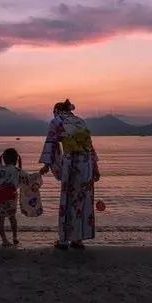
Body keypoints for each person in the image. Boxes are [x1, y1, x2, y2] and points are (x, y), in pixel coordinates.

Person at [39, 99, 100, 250]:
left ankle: (64, 241)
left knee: (68, 200)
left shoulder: (57, 121)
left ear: (56, 110)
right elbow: (89, 146)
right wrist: (96, 168)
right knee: (83, 200)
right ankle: (78, 240)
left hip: (72, 163)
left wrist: (47, 165)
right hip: (86, 164)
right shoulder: (80, 121)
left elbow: (51, 143)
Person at [0, 147, 26, 247]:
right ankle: (15, 237)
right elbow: (26, 179)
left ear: (3, 159)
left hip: (0, 198)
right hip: (11, 198)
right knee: (12, 218)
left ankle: (4, 240)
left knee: (0, 218)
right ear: (16, 160)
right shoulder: (17, 170)